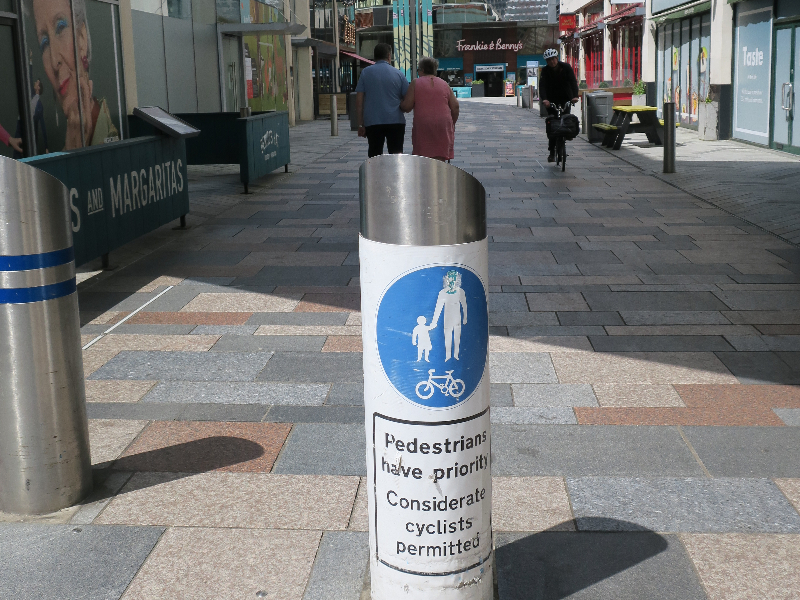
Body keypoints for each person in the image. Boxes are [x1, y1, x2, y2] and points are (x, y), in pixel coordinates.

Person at [32, 0, 119, 150]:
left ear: (82, 39)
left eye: (60, 28)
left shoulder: (111, 136)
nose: (54, 61)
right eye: (44, 43)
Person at [400, 56, 459, 161]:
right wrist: (452, 123)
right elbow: (455, 106)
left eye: (418, 70)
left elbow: (407, 107)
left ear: (422, 70)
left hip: (423, 124)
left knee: (424, 159)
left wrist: (399, 103)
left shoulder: (415, 83)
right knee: (440, 158)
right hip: (443, 124)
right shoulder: (444, 84)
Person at [356, 43, 409, 157]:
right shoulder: (399, 74)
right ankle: (396, 175)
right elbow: (408, 98)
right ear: (389, 56)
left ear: (375, 56)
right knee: (396, 155)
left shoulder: (365, 72)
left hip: (373, 121)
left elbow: (359, 100)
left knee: (374, 154)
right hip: (396, 120)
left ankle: (375, 175)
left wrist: (361, 124)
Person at [539, 48, 579, 163]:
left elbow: (572, 82)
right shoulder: (545, 71)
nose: (552, 62)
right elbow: (542, 86)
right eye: (549, 60)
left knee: (566, 118)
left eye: (553, 59)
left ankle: (567, 135)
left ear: (557, 58)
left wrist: (575, 96)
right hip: (552, 99)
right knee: (552, 124)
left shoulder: (566, 67)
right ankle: (552, 152)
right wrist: (545, 99)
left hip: (566, 97)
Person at [430, 270, 468, 362]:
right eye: (450, 278)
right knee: (447, 336)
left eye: (454, 278)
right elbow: (438, 308)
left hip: (457, 318)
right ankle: (447, 356)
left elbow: (464, 305)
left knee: (457, 337)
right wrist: (434, 321)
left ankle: (456, 355)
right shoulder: (443, 292)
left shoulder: (460, 291)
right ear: (446, 280)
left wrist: (465, 317)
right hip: (447, 318)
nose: (452, 281)